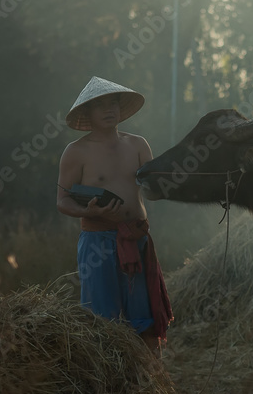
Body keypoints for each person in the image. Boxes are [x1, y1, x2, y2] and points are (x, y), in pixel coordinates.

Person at [56, 77, 172, 354]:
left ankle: (153, 388)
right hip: (98, 243)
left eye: (113, 104)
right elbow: (62, 201)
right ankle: (109, 391)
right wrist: (88, 211)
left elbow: (156, 189)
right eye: (101, 106)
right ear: (88, 114)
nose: (109, 110)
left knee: (145, 318)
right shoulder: (76, 152)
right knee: (103, 322)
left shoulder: (138, 145)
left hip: (137, 238)